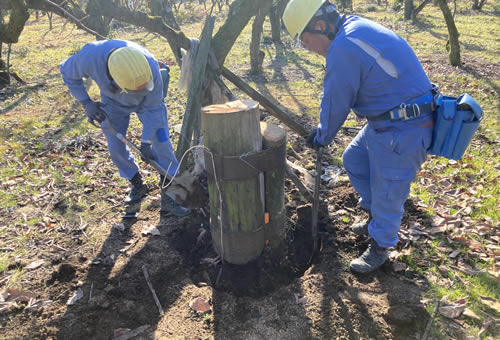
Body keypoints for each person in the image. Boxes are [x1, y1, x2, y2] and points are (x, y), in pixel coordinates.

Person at [283, 0, 436, 273]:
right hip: (388, 118)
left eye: (305, 41)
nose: (307, 49)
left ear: (320, 26)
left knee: (389, 189)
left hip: (404, 127)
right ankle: (376, 218)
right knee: (354, 158)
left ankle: (381, 247)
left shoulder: (343, 47)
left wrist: (323, 135)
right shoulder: (351, 28)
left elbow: (336, 98)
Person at [60, 39, 191, 217]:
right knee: (115, 148)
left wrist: (146, 142)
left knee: (161, 142)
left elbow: (153, 109)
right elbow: (67, 72)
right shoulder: (89, 56)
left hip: (149, 104)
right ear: (114, 80)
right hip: (113, 103)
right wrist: (86, 102)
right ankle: (137, 183)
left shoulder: (150, 65)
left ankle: (170, 186)